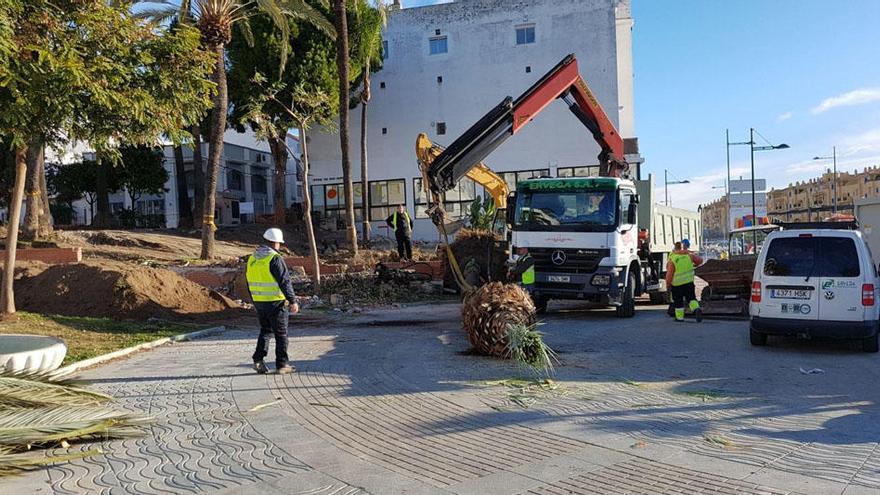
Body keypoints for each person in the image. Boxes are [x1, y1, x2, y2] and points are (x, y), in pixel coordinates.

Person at [246, 228, 299, 374]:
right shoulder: (275, 258)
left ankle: (258, 360)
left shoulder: (252, 258)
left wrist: (254, 300)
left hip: (259, 302)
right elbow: (284, 282)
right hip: (276, 303)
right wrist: (292, 300)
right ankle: (282, 365)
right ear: (276, 242)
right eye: (279, 243)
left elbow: (247, 281)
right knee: (281, 334)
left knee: (265, 331)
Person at [666, 239, 703, 322]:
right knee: (691, 298)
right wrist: (694, 263)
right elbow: (700, 260)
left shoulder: (673, 259)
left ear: (675, 249)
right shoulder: (689, 255)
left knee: (678, 301)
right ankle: (696, 309)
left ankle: (679, 318)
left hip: (677, 285)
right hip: (689, 282)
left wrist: (668, 284)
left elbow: (669, 275)